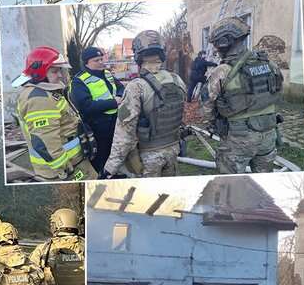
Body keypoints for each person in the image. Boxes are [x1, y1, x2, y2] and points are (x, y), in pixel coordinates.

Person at [101, 30, 186, 179]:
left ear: (137, 55)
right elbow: (178, 113)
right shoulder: (176, 79)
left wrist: (109, 169)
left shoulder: (137, 86)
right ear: (161, 52)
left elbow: (124, 134)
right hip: (173, 150)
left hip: (149, 158)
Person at [204, 16, 284, 174]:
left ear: (224, 43)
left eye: (216, 44)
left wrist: (213, 121)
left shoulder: (222, 71)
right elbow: (277, 92)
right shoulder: (269, 64)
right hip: (269, 135)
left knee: (230, 185)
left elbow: (207, 107)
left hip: (238, 139)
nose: (215, 49)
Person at [14, 46, 98, 182]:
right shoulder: (39, 99)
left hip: (72, 160)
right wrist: (65, 168)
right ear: (39, 74)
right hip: (63, 168)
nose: (59, 75)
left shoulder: (47, 92)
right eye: (54, 71)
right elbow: (45, 141)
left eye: (59, 70)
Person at [70, 47, 125, 174]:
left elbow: (121, 88)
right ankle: (99, 179)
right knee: (98, 158)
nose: (101, 62)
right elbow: (85, 106)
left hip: (114, 122)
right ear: (86, 63)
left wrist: (120, 95)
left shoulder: (107, 74)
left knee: (113, 154)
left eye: (101, 59)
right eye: (96, 60)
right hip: (96, 126)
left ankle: (111, 176)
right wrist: (113, 102)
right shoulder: (79, 81)